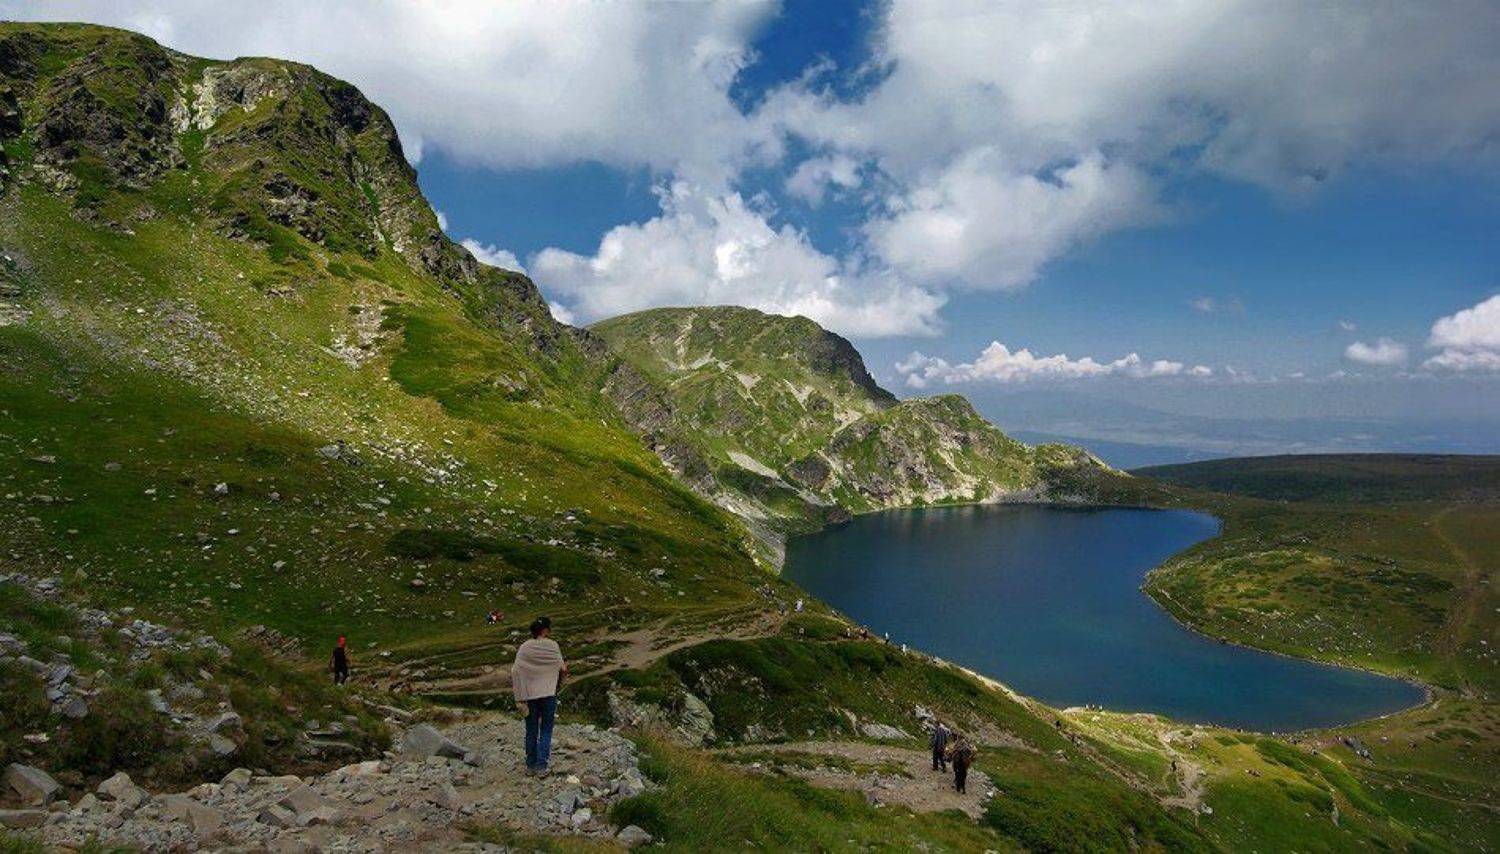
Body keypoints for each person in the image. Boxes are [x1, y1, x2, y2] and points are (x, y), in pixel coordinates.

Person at [511, 616, 567, 775]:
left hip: (530, 695)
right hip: (548, 693)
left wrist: (519, 695)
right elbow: (562, 668)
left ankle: (530, 765)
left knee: (531, 729)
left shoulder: (525, 647)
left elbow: (516, 670)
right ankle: (542, 765)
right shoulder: (552, 645)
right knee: (547, 729)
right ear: (544, 630)